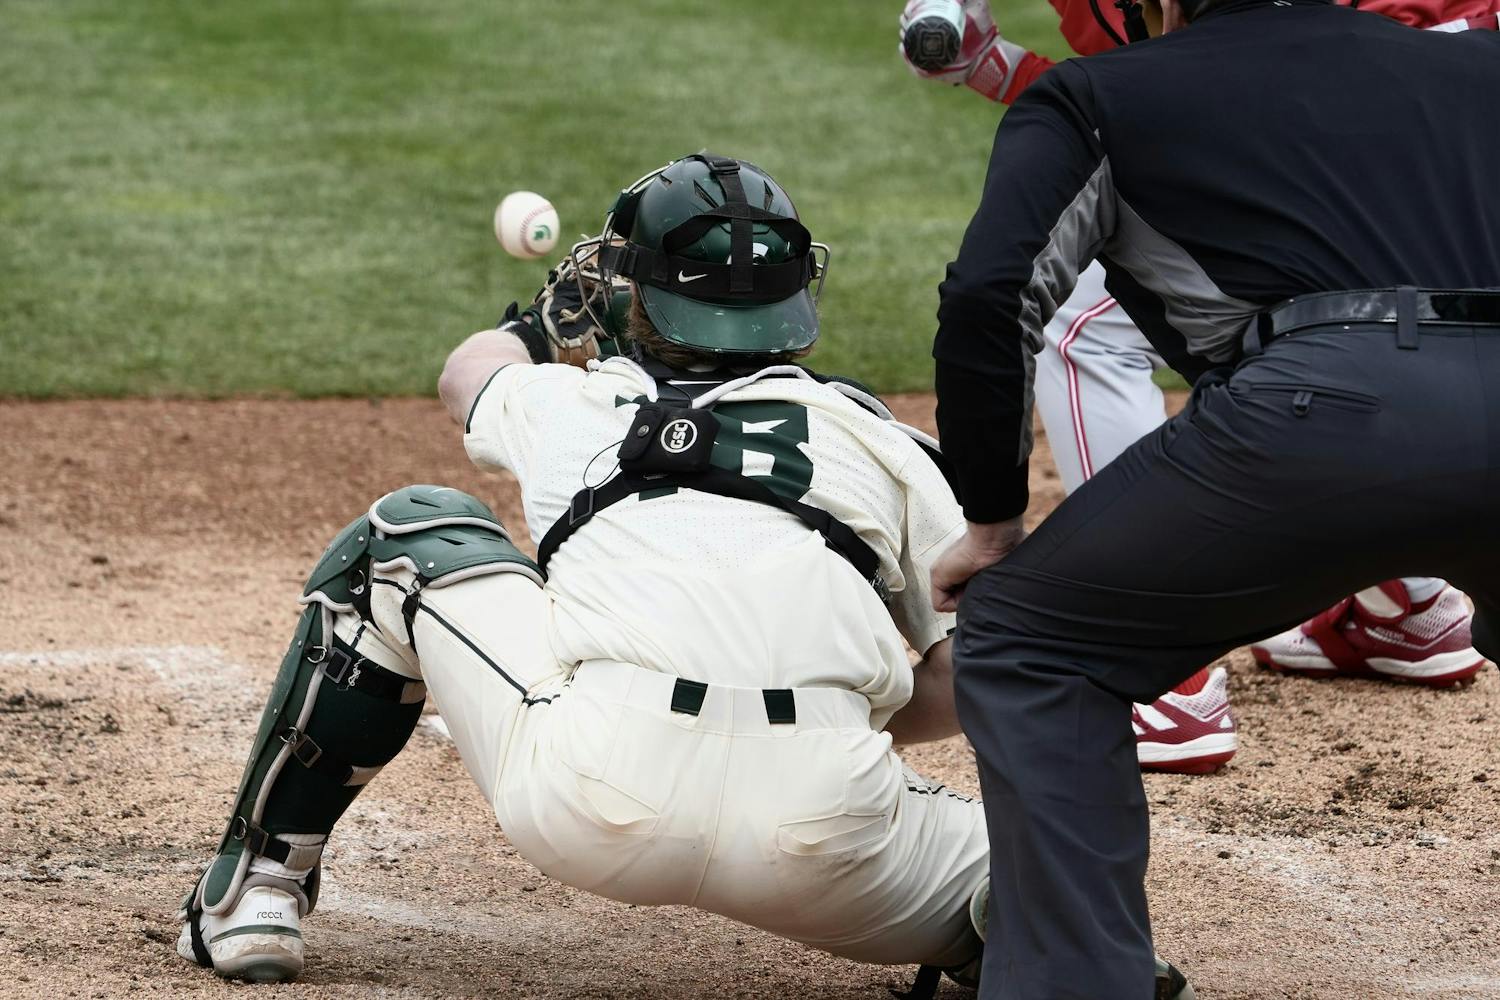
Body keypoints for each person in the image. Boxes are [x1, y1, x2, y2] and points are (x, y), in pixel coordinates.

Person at [171, 153, 1201, 998]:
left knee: (409, 532)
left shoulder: (576, 407)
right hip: (836, 836)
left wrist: (539, 325)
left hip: (593, 799)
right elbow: (979, 666)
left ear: (635, 300)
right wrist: (833, 716)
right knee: (1044, 885)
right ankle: (1047, 952)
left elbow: (466, 374)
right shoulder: (881, 442)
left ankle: (253, 892)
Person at [926, 0, 1500, 994]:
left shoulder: (1098, 93)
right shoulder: (1478, 65)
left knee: (1027, 640)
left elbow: (991, 292)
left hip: (1319, 418)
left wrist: (992, 520)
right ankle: (1404, 611)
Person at [900, 0, 1495, 692]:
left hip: (1374, 103)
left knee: (1089, 329)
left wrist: (1001, 69)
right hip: (1424, 118)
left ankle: (1149, 674)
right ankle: (1406, 603)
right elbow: (1169, 90)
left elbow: (1162, 97)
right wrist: (999, 67)